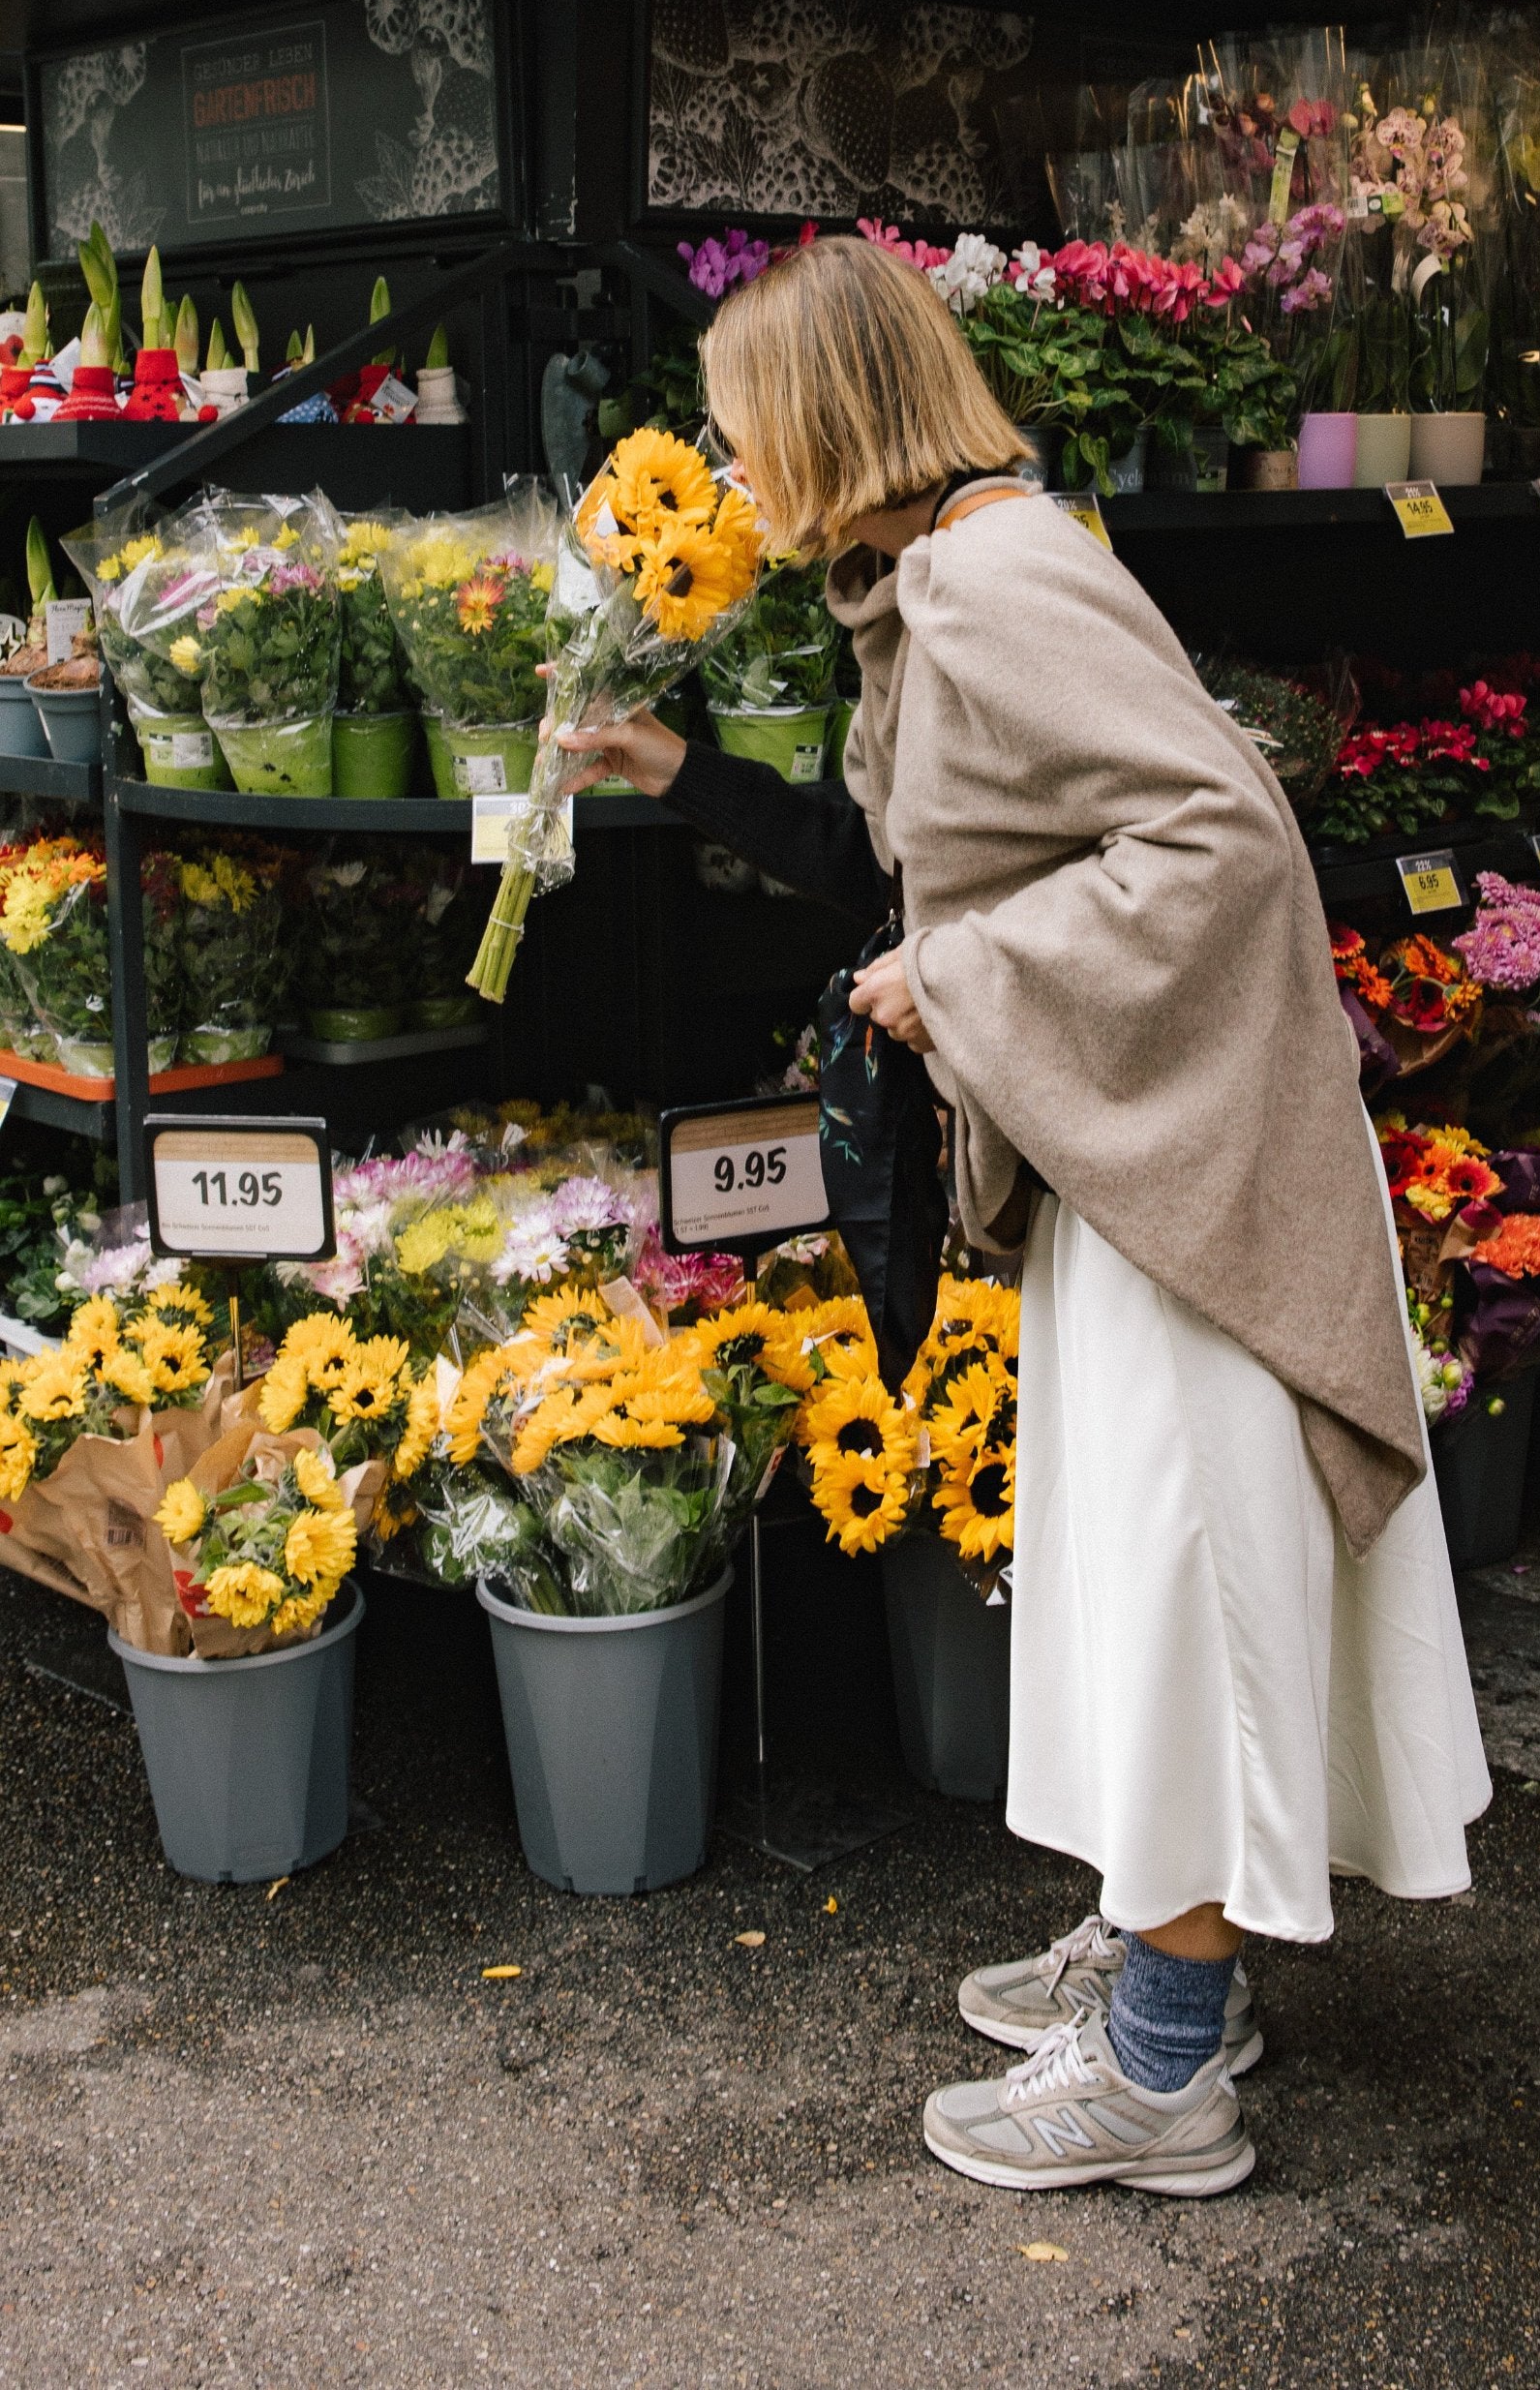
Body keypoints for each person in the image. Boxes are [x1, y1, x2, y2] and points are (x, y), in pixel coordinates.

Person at [553, 233, 1490, 2198]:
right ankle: (1170, 1963)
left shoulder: (988, 581)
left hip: (1179, 1179)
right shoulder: (952, 570)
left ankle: (1161, 2071)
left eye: (737, 434)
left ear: (823, 419)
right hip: (1133, 1153)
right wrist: (681, 771)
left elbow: (1221, 841)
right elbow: (920, 864)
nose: (724, 478)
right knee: (1153, 1583)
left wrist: (956, 988)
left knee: (1177, 1591)